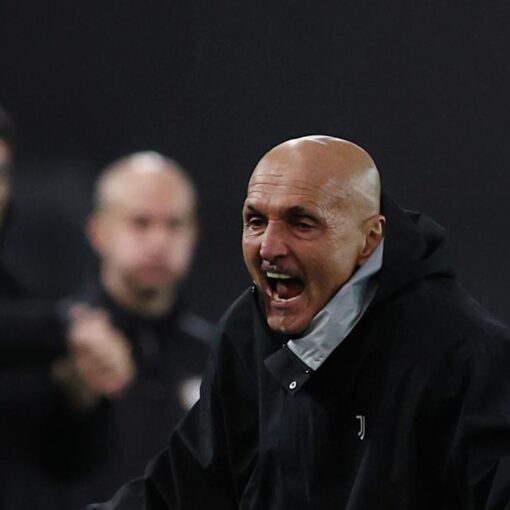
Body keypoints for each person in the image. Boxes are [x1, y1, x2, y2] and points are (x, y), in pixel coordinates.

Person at [90, 134, 510, 509]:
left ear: (370, 239)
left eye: (302, 224)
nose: (269, 247)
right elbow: (182, 493)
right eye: (256, 221)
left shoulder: (466, 356)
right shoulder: (246, 332)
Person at [0, 103, 134, 510]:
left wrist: (81, 398)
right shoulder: (44, 323)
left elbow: (63, 464)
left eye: (1, 174)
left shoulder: (22, 294)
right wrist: (67, 329)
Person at [64, 151, 213, 504]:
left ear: (193, 234)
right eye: (140, 223)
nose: (159, 242)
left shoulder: (216, 355)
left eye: (174, 224)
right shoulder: (60, 349)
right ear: (98, 231)